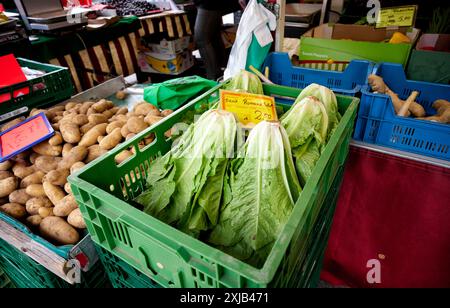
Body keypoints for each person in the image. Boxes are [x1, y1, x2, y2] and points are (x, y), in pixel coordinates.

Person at [194, 0, 247, 80]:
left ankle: (213, 77)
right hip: (210, 4)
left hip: (211, 3)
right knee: (213, 36)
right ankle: (222, 71)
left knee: (202, 38)